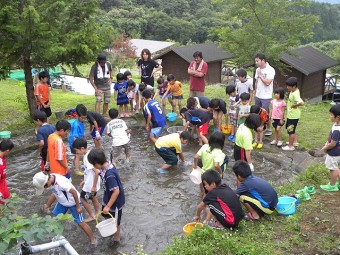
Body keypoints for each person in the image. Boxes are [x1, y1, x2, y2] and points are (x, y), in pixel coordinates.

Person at [32, 172, 97, 246]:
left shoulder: (61, 183)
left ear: (48, 179)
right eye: (44, 187)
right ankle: (56, 238)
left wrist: (78, 207)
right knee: (54, 220)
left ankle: (93, 240)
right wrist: (47, 205)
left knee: (80, 223)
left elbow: (74, 192)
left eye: (46, 186)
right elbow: (54, 193)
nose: (46, 188)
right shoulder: (51, 180)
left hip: (73, 203)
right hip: (62, 203)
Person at [87, 148, 125, 245]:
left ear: (96, 163)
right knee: (106, 215)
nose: (93, 167)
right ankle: (110, 230)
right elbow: (98, 173)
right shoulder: (107, 165)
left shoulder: (109, 175)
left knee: (116, 221)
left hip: (115, 201)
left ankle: (116, 239)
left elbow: (116, 191)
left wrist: (108, 206)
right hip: (108, 196)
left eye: (93, 164)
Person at [43, 120, 71, 213]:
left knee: (57, 189)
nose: (67, 133)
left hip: (54, 170)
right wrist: (66, 166)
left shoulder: (51, 136)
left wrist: (47, 163)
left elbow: (48, 151)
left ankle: (48, 206)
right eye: (66, 131)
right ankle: (49, 206)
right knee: (63, 189)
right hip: (61, 171)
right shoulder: (58, 140)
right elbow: (59, 158)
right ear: (62, 130)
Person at [72, 138, 101, 222]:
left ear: (82, 148)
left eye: (77, 151)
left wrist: (93, 186)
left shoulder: (86, 158)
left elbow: (96, 172)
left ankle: (92, 216)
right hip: (90, 183)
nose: (77, 153)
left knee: (82, 199)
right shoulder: (90, 153)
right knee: (93, 197)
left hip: (90, 186)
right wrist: (85, 181)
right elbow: (90, 171)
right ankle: (97, 212)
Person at [320, 104, 340, 192]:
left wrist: (325, 148)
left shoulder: (337, 130)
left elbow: (333, 143)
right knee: (335, 166)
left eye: (331, 114)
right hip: (336, 151)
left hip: (334, 152)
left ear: (338, 117)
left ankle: (332, 185)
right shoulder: (336, 124)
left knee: (333, 168)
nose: (330, 116)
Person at [254, 53, 275, 136]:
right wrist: (256, 91)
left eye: (257, 61)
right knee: (257, 112)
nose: (256, 62)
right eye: (255, 61)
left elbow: (267, 83)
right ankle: (259, 126)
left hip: (266, 96)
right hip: (258, 95)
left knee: (265, 113)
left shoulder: (270, 70)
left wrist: (260, 75)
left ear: (263, 60)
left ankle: (268, 128)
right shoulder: (257, 70)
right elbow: (256, 81)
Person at [282, 77, 304, 151]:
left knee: (291, 131)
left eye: (289, 86)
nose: (287, 87)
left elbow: (302, 103)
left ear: (294, 86)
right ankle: (295, 142)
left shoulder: (295, 94)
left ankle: (290, 146)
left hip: (293, 116)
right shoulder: (295, 90)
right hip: (292, 114)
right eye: (287, 86)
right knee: (292, 129)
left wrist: (295, 105)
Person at [69, 104, 87, 176]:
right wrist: (78, 147)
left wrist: (83, 136)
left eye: (85, 118)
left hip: (78, 142)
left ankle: (75, 162)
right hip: (75, 143)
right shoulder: (76, 125)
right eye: (82, 118)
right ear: (77, 116)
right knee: (77, 155)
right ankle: (77, 170)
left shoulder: (80, 122)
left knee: (77, 156)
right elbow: (74, 137)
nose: (84, 120)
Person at [0, 139, 14, 205]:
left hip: (3, 185)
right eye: (10, 151)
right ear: (7, 151)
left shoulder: (2, 158)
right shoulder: (0, 163)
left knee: (10, 203)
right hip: (1, 189)